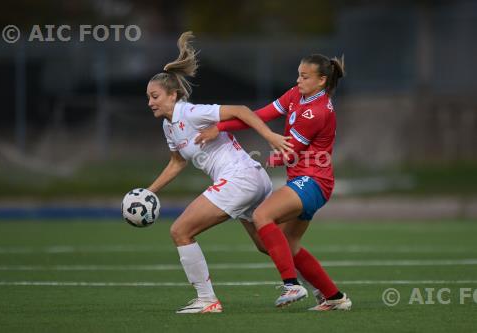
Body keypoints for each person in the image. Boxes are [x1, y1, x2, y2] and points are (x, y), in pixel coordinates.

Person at [145, 31, 293, 314]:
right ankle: (324, 291)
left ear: (173, 95)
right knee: (267, 244)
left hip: (240, 178)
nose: (150, 102)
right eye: (148, 97)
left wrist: (270, 136)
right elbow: (177, 162)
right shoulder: (169, 126)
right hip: (249, 178)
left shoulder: (190, 112)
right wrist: (149, 192)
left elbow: (241, 110)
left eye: (155, 96)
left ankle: (206, 299)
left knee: (181, 231)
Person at [195, 54, 352, 311]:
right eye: (298, 74)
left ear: (322, 81)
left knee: (262, 215)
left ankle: (291, 284)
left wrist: (253, 162)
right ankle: (335, 297)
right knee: (288, 244)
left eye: (304, 76)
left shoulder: (317, 111)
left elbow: (289, 153)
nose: (298, 80)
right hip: (306, 180)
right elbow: (259, 116)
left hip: (313, 181)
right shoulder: (296, 95)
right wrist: (221, 127)